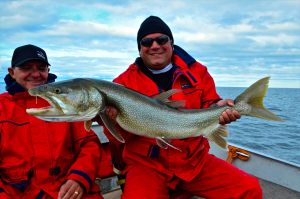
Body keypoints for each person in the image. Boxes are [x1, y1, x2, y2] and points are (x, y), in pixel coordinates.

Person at [98, 16, 263, 198]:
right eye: (146, 42)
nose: (154, 46)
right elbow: (119, 140)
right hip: (147, 166)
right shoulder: (122, 85)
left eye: (161, 40)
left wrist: (219, 107)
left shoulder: (197, 72)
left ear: (171, 43)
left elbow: (210, 103)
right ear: (139, 48)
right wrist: (111, 121)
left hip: (193, 162)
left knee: (250, 189)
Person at [0, 44, 104, 199]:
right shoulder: (2, 108)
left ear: (48, 71)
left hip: (70, 192)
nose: (35, 74)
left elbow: (89, 144)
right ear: (12, 72)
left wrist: (79, 179)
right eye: (26, 68)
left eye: (41, 68)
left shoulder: (70, 102)